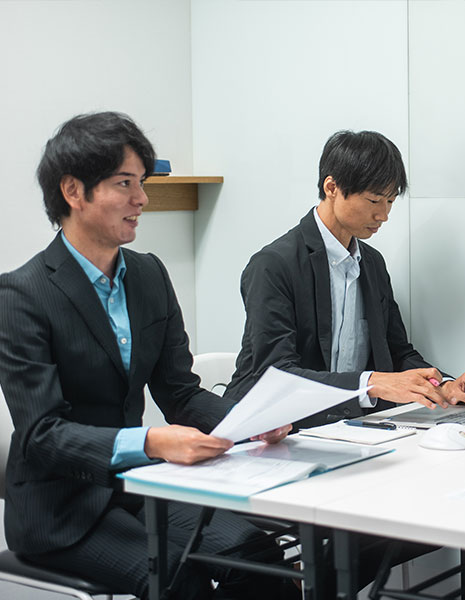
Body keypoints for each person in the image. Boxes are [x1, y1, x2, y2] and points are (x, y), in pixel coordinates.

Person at [0, 112, 294, 599]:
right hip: (61, 510)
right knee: (182, 577)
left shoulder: (149, 274)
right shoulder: (21, 295)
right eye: (124, 183)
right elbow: (41, 435)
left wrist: (249, 420)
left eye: (142, 183)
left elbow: (180, 391)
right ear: (74, 191)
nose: (142, 199)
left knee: (258, 556)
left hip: (140, 488)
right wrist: (152, 442)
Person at [225, 130, 465, 426]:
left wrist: (445, 387)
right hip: (271, 430)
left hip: (347, 430)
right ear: (332, 187)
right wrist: (371, 383)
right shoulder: (273, 265)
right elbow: (276, 373)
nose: (384, 215)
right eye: (374, 200)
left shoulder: (372, 263)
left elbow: (397, 353)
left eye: (390, 201)